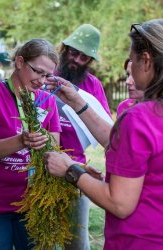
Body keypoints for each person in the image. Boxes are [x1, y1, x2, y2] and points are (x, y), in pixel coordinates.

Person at [44, 19, 163, 250]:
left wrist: (70, 168)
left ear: (146, 61)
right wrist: (76, 101)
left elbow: (119, 203)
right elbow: (121, 142)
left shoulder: (139, 117)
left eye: (133, 59)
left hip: (138, 240)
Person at [0, 38, 61, 249]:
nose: (42, 81)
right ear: (19, 62)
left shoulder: (48, 101)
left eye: (47, 75)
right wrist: (22, 140)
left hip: (34, 203)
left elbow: (55, 151)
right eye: (38, 71)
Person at [55, 23, 111, 250]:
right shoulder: (45, 74)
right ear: (64, 47)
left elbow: (106, 129)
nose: (77, 60)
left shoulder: (93, 86)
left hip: (75, 170)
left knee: (76, 243)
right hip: (35, 167)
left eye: (84, 57)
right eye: (74, 52)